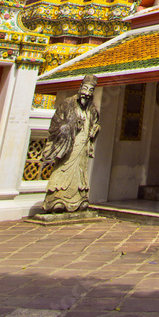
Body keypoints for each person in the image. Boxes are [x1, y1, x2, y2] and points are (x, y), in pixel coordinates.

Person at [41, 75, 100, 213]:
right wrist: (69, 127)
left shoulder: (91, 109)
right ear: (80, 88)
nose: (87, 93)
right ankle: (57, 199)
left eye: (91, 90)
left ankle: (79, 199)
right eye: (85, 89)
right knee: (64, 168)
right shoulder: (67, 104)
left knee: (80, 171)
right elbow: (56, 123)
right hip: (69, 143)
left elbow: (95, 123)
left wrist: (94, 129)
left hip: (82, 145)